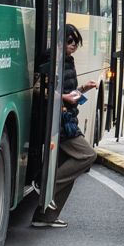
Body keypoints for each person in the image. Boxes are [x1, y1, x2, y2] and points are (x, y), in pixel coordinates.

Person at [32, 23, 98, 228]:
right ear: (61, 40)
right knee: (88, 156)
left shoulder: (68, 61)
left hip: (67, 118)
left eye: (76, 43)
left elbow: (68, 93)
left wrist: (82, 90)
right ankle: (44, 184)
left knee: (67, 168)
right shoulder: (52, 60)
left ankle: (45, 217)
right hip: (58, 121)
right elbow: (38, 89)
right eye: (70, 41)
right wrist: (64, 97)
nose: (73, 46)